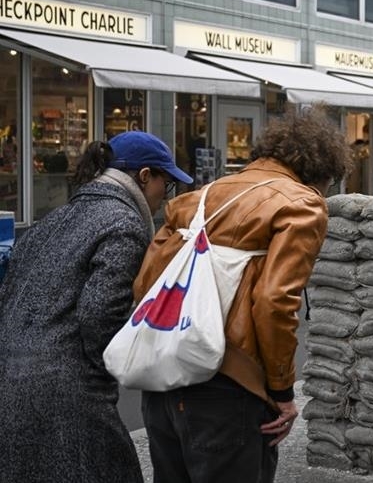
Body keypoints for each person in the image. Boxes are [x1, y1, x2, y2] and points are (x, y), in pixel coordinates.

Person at [134, 105, 352, 483]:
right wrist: (282, 391)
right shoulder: (301, 204)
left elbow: (144, 286)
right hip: (228, 390)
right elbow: (273, 303)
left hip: (164, 381)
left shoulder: (196, 199)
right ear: (322, 170)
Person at [0, 131, 191, 483]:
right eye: (166, 185)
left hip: (10, 381)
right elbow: (100, 315)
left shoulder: (54, 220)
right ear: (144, 176)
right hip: (71, 391)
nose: (165, 199)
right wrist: (126, 366)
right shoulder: (125, 224)